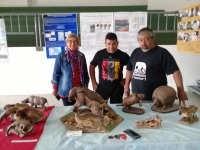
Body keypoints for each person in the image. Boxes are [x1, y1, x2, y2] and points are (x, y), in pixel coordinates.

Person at [124, 27, 188, 106]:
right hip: (137, 98)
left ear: (152, 38)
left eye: (146, 39)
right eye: (140, 40)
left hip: (158, 99)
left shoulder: (162, 53)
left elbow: (175, 71)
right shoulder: (135, 52)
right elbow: (129, 69)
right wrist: (126, 86)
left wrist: (181, 90)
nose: (143, 43)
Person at [90, 32, 130, 104]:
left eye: (113, 44)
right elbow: (92, 67)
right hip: (102, 87)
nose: (111, 46)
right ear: (105, 43)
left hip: (117, 88)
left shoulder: (123, 55)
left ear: (117, 43)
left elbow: (132, 68)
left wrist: (127, 80)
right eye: (109, 44)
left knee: (116, 110)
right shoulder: (99, 54)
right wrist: (93, 82)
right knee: (100, 108)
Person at [51, 33, 89, 106]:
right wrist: (55, 89)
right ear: (66, 43)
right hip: (66, 90)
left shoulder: (81, 56)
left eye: (75, 41)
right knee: (68, 112)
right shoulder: (61, 56)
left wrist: (86, 87)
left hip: (79, 90)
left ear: (78, 43)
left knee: (80, 110)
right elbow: (56, 73)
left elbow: (85, 73)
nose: (72, 43)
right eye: (70, 41)